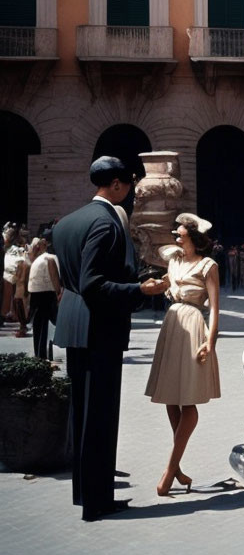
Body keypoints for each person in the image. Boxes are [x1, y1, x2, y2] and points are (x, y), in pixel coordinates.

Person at [53, 156, 168, 521]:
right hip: (98, 327)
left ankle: (86, 495)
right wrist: (140, 289)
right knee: (100, 417)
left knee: (83, 415)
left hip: (74, 324)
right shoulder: (106, 223)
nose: (131, 192)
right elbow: (93, 284)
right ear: (116, 184)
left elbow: (75, 281)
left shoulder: (68, 221)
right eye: (129, 184)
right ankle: (97, 502)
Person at [144, 212, 222, 496]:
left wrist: (210, 340)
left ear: (193, 235)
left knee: (188, 401)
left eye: (180, 231)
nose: (175, 234)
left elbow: (214, 307)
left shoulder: (208, 265)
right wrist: (154, 287)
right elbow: (165, 285)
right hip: (172, 324)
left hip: (193, 325)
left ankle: (168, 470)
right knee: (170, 396)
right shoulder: (174, 260)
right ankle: (177, 468)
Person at [26, 235, 61, 360]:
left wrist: (58, 291)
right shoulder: (41, 258)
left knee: (44, 325)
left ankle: (43, 353)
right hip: (39, 294)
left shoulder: (49, 258)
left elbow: (53, 274)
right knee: (40, 325)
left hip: (45, 294)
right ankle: (40, 353)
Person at [4, 226, 30, 337]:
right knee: (18, 303)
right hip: (18, 280)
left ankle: (22, 327)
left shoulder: (23, 251)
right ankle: (21, 326)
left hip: (22, 281)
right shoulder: (19, 250)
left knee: (21, 303)